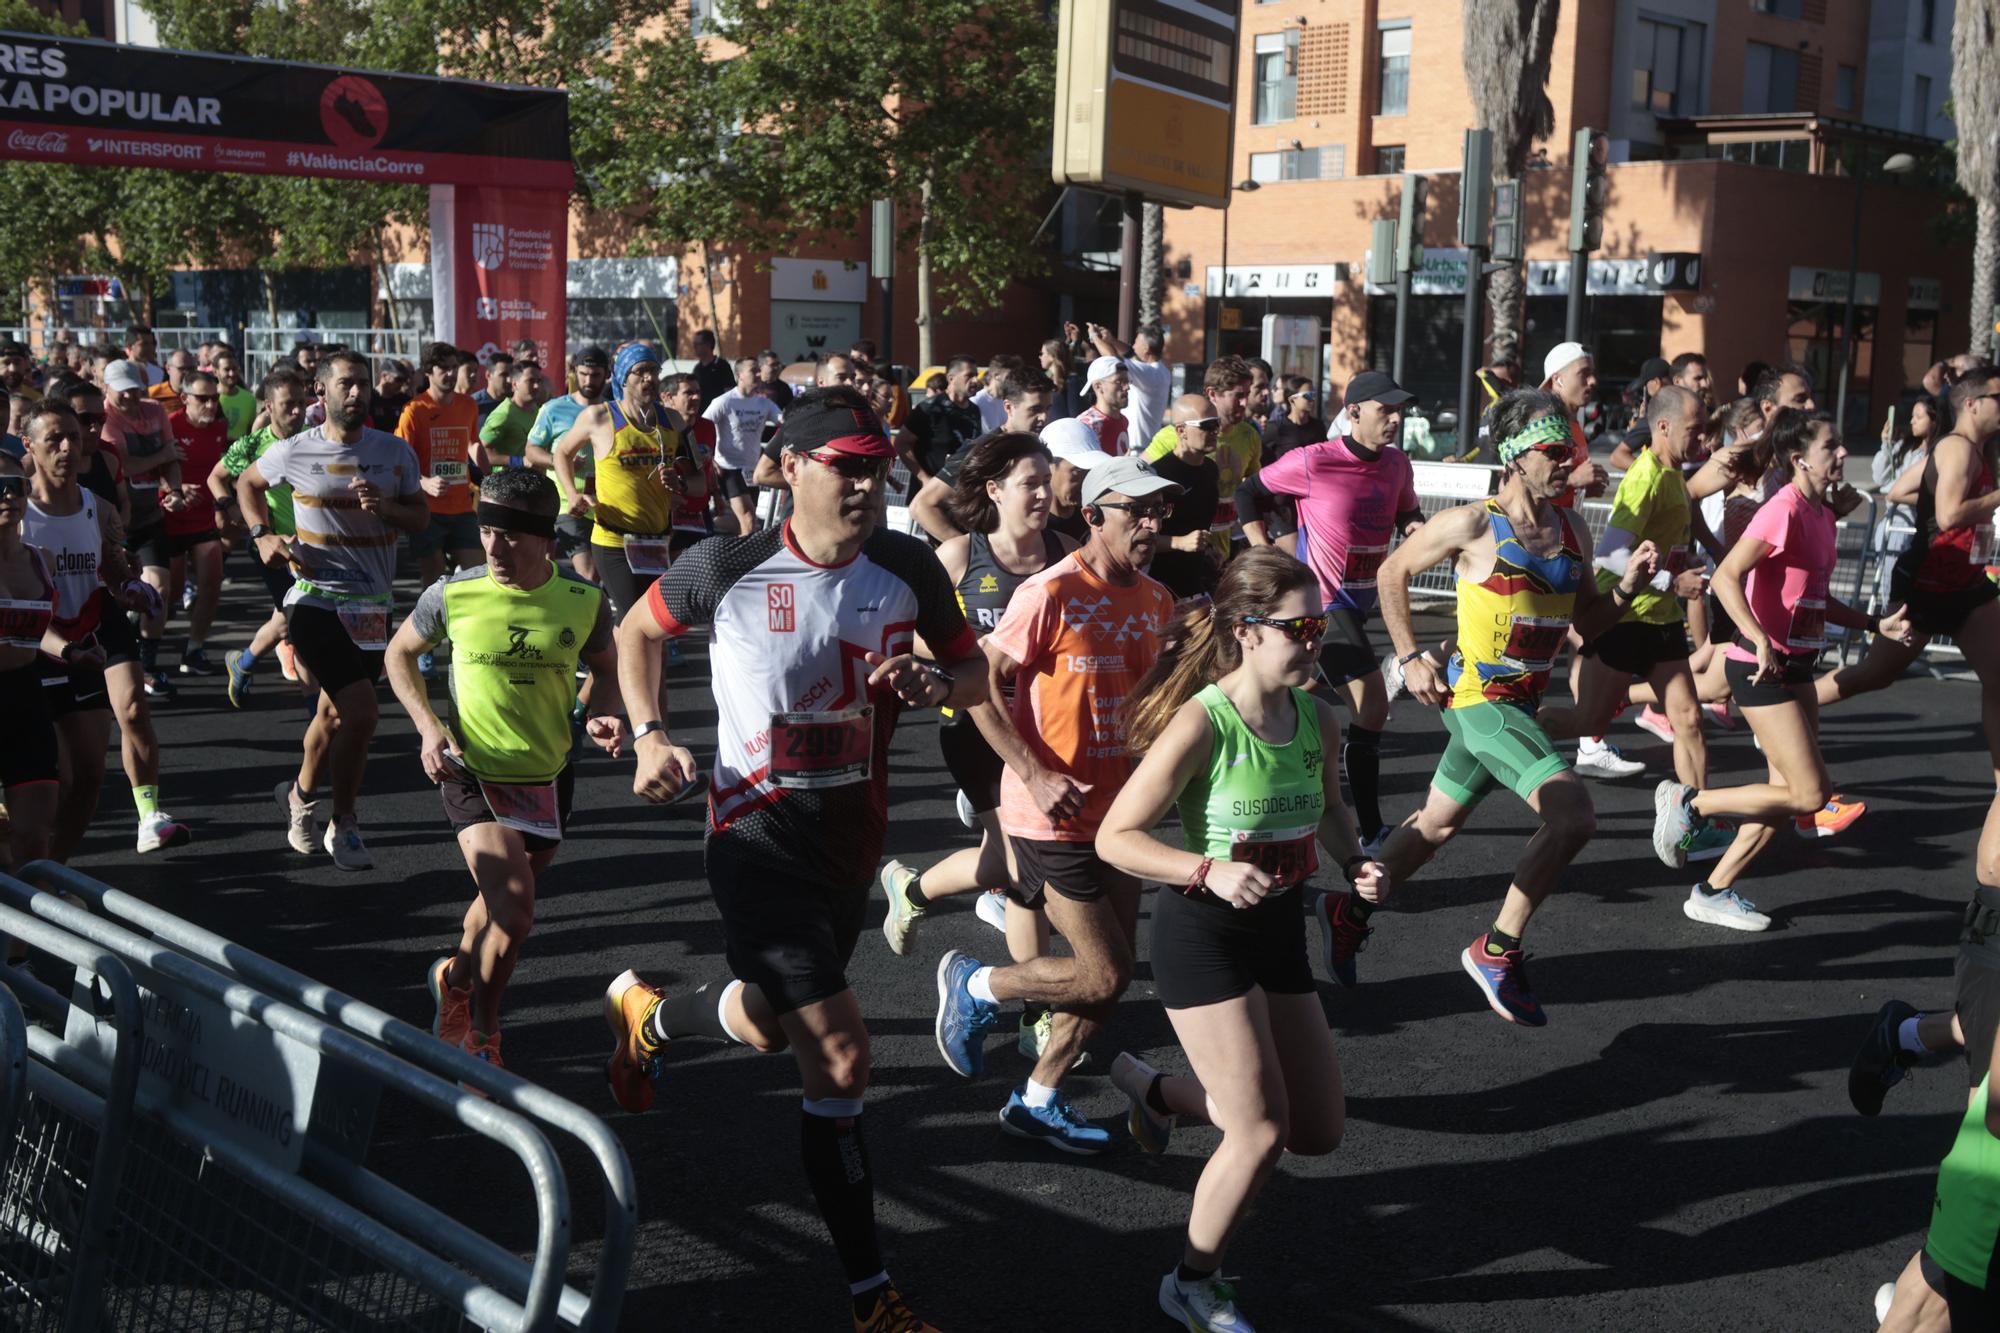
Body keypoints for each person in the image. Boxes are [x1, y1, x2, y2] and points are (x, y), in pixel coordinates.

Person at [602, 386, 985, 1333]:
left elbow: (973, 672)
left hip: (851, 841)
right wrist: (651, 735)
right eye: (847, 465)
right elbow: (637, 631)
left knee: (774, 1024)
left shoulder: (908, 566)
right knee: (844, 1057)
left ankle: (652, 1016)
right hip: (752, 838)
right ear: (791, 467)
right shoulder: (729, 563)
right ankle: (873, 1297)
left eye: (878, 465)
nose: (867, 483)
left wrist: (944, 683)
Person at [1096, 548, 1380, 1333]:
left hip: (1278, 931)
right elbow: (1116, 837)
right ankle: (1192, 1281)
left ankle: (1158, 1092)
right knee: (1258, 1131)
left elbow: (1329, 807)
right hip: (1204, 936)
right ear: (1247, 630)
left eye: (1320, 623)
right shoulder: (1203, 722)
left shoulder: (1317, 715)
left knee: (1315, 1131)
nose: (1317, 640)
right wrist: (1204, 869)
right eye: (1301, 626)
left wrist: (1356, 862)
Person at [1338, 389, 1660, 1022]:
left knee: (1435, 825)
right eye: (1554, 450)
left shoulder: (1572, 531)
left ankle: (1347, 908)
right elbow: (1391, 573)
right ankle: (1497, 948)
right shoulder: (1474, 523)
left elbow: (1590, 624)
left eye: (1572, 448)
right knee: (1573, 816)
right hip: (1479, 700)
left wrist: (1626, 590)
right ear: (1514, 456)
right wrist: (1406, 657)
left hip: (1522, 706)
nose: (1569, 460)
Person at [933, 454, 1180, 1151]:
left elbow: (1152, 704)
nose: (1153, 524)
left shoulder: (1157, 600)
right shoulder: (1050, 591)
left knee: (1109, 979)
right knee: (1104, 971)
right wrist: (1033, 772)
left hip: (1120, 816)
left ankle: (1038, 1097)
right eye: (1139, 510)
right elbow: (975, 683)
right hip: (1049, 816)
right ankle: (978, 984)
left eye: (1159, 511)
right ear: (1096, 514)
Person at [389, 470, 627, 1069]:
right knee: (516, 910)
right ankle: (483, 1032)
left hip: (547, 776)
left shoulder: (584, 601)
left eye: (511, 537)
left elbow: (607, 668)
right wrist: (427, 726)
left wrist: (601, 712)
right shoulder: (453, 594)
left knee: (494, 908)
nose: (494, 549)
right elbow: (400, 654)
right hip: (472, 771)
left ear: (546, 539)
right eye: (487, 532)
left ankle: (454, 978)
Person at [1651, 410, 1916, 928]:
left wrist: (1872, 624)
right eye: (1831, 446)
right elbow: (1727, 577)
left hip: (1797, 666)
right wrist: (1756, 637)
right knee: (1810, 795)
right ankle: (1691, 803)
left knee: (1785, 795)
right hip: (1760, 670)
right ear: (1800, 459)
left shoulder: (1819, 513)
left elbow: (1815, 595)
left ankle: (1713, 890)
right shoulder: (1784, 509)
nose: (1842, 453)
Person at [878, 434, 1076, 1055]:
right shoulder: (961, 555)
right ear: (994, 491)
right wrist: (964, 663)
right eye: (1030, 483)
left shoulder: (1067, 555)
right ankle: (1035, 1008)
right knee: (1022, 866)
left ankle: (911, 890)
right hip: (971, 726)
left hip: (1044, 732)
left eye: (1048, 481)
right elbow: (901, 634)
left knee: (1003, 857)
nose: (1044, 493)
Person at [240, 351, 431, 870]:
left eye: (363, 384)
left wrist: (386, 508)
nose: (358, 393)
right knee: (363, 713)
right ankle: (343, 824)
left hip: (373, 605)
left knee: (332, 713)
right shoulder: (294, 450)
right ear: (321, 393)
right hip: (314, 597)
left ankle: (298, 797)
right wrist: (262, 536)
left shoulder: (394, 452)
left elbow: (418, 518)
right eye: (346, 384)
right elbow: (246, 484)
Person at [1237, 369, 1424, 849]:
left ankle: (1230, 743)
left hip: (1361, 603)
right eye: (1386, 410)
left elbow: (1405, 510)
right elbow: (1248, 491)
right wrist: (1265, 553)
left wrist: (1415, 529)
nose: (1396, 419)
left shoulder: (1397, 464)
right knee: (1372, 704)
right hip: (1323, 600)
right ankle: (1371, 830)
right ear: (1355, 412)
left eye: (1400, 410)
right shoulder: (1313, 461)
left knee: (1294, 690)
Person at [1816, 367, 2000, 796]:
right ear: (1972, 404)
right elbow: (1951, 513)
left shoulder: (1970, 450)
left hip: (1967, 584)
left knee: (1999, 680)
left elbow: (1900, 490)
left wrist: (1939, 495)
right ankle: (1789, 707)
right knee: (1873, 675)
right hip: (1928, 583)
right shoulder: (1956, 449)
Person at [21, 401, 191, 857]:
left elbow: (115, 573)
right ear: (29, 446)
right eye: (54, 438)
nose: (66, 447)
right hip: (34, 649)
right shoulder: (16, 512)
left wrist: (133, 589)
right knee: (62, 778)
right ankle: (27, 870)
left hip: (90, 638)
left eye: (73, 438)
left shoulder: (97, 508)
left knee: (91, 776)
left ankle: (57, 871)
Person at [556, 343, 692, 628]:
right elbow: (562, 452)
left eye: (654, 371)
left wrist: (679, 484)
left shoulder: (673, 421)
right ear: (621, 378)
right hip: (613, 540)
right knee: (636, 623)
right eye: (640, 371)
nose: (649, 378)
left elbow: (697, 481)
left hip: (657, 541)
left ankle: (606, 672)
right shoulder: (599, 416)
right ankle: (623, 669)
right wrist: (572, 493)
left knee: (649, 628)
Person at [216, 368, 311, 708]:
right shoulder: (254, 444)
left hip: (310, 544)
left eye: (301, 403)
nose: (298, 411)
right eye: (289, 404)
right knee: (298, 620)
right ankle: (316, 712)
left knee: (286, 618)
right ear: (269, 406)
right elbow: (217, 476)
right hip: (269, 544)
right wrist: (230, 508)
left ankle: (242, 663)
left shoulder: (315, 437)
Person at [101, 358, 186, 701]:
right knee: (115, 598)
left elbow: (172, 457)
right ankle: (114, 659)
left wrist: (176, 491)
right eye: (123, 391)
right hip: (115, 523)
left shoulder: (154, 411)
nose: (131, 396)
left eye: (135, 388)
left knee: (159, 591)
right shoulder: (105, 420)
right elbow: (125, 464)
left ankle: (148, 664)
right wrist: (162, 454)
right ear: (107, 389)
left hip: (150, 516)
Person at [0, 449, 63, 871]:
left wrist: (72, 650)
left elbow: (42, 633)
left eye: (15, 486)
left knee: (35, 840)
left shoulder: (40, 558)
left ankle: (23, 938)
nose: (7, 495)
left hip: (25, 695)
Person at [905, 368, 1056, 542]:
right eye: (1035, 409)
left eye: (1048, 408)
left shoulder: (1040, 449)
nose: (1043, 417)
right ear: (1008, 407)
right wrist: (968, 552)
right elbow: (922, 506)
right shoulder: (982, 449)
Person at [1145, 356, 1259, 561]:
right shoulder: (1168, 442)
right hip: (1166, 568)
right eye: (1238, 395)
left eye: (1248, 394)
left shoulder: (1248, 436)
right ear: (1212, 394)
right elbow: (1137, 492)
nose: (1245, 403)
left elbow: (1252, 488)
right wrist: (1177, 542)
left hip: (1216, 555)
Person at [398, 343, 483, 606]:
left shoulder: (468, 405)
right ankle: (426, 646)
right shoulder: (414, 410)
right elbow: (399, 461)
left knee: (476, 577)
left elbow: (473, 443)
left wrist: (487, 477)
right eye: (443, 368)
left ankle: (465, 641)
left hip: (462, 507)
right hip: (427, 509)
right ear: (428, 372)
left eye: (453, 368)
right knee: (434, 582)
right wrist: (424, 483)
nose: (450, 374)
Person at [161, 370, 231, 676]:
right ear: (184, 398)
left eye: (215, 398)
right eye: (203, 398)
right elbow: (145, 472)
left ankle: (194, 649)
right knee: (172, 594)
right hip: (171, 520)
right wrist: (170, 490)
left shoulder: (219, 428)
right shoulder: (168, 426)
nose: (211, 404)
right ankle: (141, 632)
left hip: (204, 520)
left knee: (211, 586)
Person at [530, 345, 611, 580]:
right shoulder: (554, 408)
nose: (588, 380)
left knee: (599, 573)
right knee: (587, 572)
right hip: (567, 503)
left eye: (595, 375)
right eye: (583, 374)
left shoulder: (612, 411)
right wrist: (560, 463)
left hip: (605, 502)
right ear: (574, 372)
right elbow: (532, 450)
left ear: (607, 374)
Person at [1145, 394, 1223, 600]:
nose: (1216, 430)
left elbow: (1198, 523)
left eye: (1217, 423)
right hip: (1160, 587)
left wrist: (1208, 549)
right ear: (1181, 430)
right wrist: (1179, 542)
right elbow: (1136, 537)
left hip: (1198, 582)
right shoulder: (1158, 475)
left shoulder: (1210, 469)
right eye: (1207, 425)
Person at [1873, 392, 1946, 607]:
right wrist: (1885, 445)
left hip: (1913, 522)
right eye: (1912, 416)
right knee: (1885, 568)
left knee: (1902, 572)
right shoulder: (1906, 446)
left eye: (1919, 416)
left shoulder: (1939, 452)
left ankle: (1894, 613)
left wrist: (1905, 496)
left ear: (1934, 421)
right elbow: (1880, 476)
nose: (1912, 421)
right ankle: (1887, 613)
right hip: (1891, 520)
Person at [704, 356, 785, 536]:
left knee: (739, 522)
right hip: (728, 467)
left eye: (759, 370)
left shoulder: (764, 403)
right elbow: (703, 428)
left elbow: (784, 422)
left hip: (752, 470)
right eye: (753, 371)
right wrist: (709, 459)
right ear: (739, 375)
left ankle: (714, 533)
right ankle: (746, 561)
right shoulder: (724, 402)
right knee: (748, 518)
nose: (758, 374)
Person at [898, 354, 983, 492]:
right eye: (969, 375)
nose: (975, 380)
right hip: (929, 495)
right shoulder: (930, 408)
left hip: (960, 493)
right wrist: (924, 479)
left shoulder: (974, 411)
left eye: (976, 375)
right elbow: (902, 443)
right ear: (951, 378)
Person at [1086, 321, 1172, 443]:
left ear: (1146, 349)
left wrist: (1094, 336)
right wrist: (1112, 341)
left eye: (1136, 343)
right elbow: (1130, 353)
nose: (1133, 346)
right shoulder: (1161, 371)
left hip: (1136, 449)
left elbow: (1113, 360)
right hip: (1146, 445)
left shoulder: (1149, 373)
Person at [1040, 419, 1109, 545]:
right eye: (1077, 470)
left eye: (1091, 470)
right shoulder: (1035, 527)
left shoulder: (1097, 515)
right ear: (1048, 466)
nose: (1086, 480)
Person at [473, 360, 544, 473]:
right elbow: (480, 451)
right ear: (515, 384)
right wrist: (519, 461)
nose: (536, 386)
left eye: (539, 381)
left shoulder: (539, 410)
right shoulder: (503, 414)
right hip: (509, 485)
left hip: (535, 483)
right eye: (530, 381)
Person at [1076, 355, 1131, 457]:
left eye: (1127, 381)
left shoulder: (1123, 420)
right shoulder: (1088, 425)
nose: (1127, 387)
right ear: (1098, 386)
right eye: (1119, 381)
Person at [968, 353, 1020, 433]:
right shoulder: (975, 403)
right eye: (1009, 376)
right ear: (996, 375)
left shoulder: (1012, 402)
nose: (1013, 380)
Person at [212, 348, 257, 439]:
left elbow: (250, 432)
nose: (232, 373)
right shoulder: (207, 398)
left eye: (235, 369)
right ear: (215, 372)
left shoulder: (249, 399)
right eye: (227, 369)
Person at [688, 328, 735, 407]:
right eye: (694, 344)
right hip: (701, 413)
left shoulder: (722, 365)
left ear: (708, 344)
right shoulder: (697, 368)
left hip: (718, 411)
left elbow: (729, 391)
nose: (694, 347)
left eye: (697, 344)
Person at [471, 351, 513, 423]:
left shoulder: (517, 403)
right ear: (488, 375)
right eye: (504, 375)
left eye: (511, 374)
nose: (509, 380)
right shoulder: (473, 404)